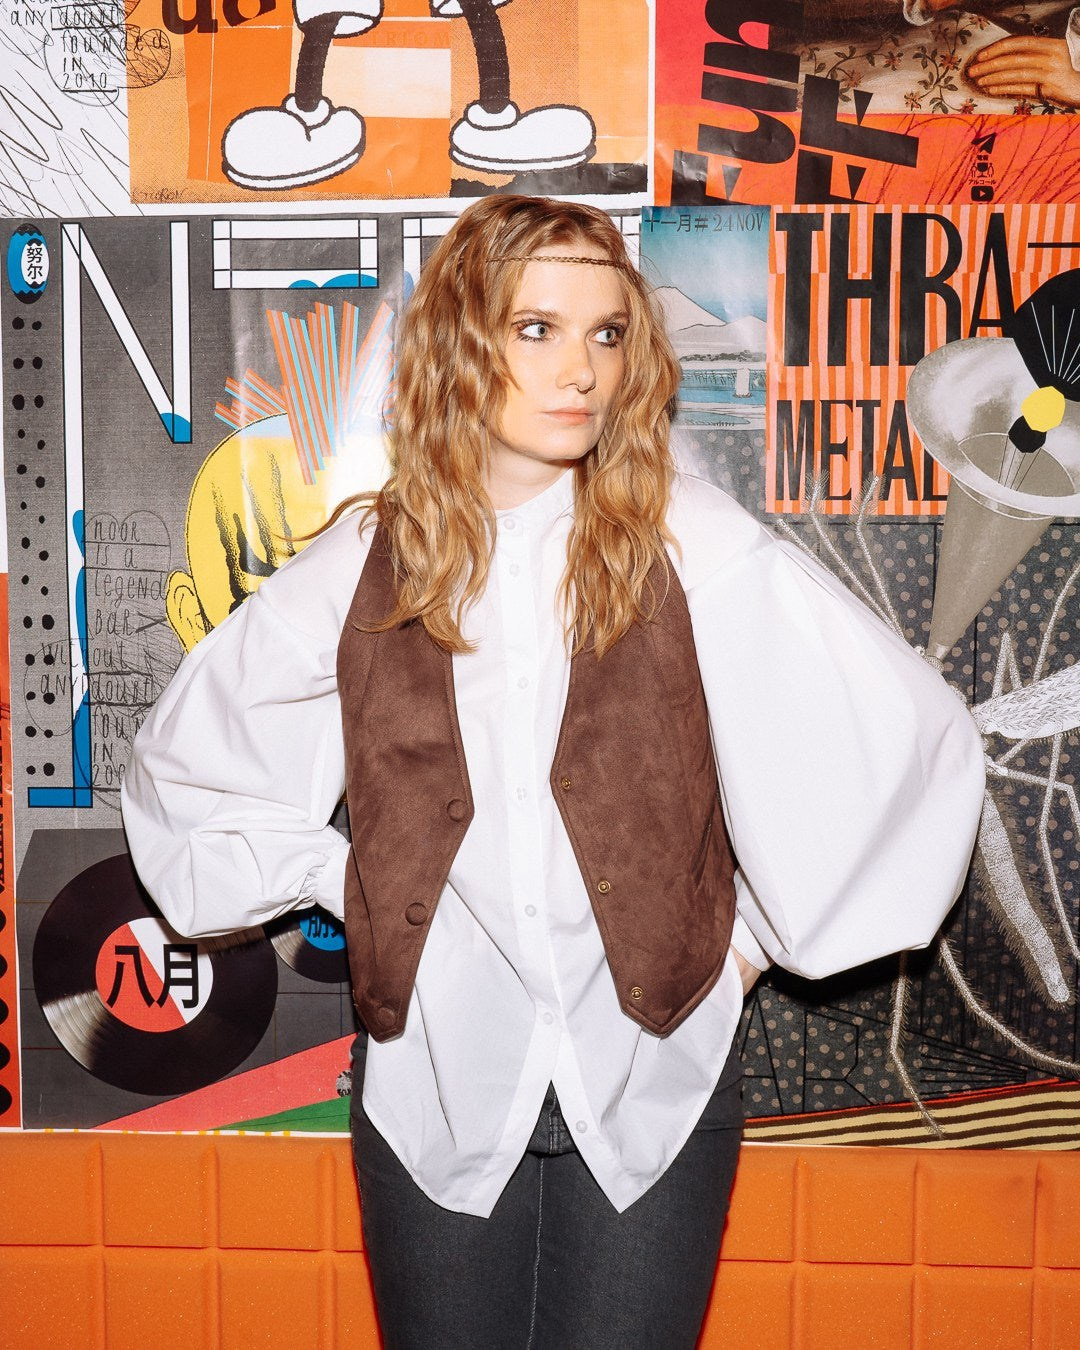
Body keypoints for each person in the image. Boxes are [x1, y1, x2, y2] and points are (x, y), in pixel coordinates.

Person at [121, 195, 986, 1348]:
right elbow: (190, 773)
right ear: (460, 343)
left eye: (606, 332)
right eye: (537, 328)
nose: (580, 368)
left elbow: (909, 744)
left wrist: (749, 944)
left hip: (653, 1081)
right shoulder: (369, 560)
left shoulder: (690, 539)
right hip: (436, 1081)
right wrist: (356, 884)